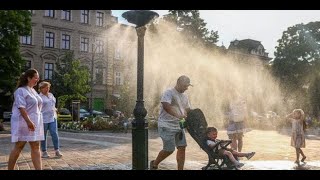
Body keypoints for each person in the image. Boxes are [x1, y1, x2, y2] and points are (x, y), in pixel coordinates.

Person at [150, 75, 192, 170]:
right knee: (169, 149)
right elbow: (166, 106)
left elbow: (187, 109)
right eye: (185, 86)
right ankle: (154, 164)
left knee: (182, 147)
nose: (186, 88)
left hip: (178, 125)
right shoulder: (169, 92)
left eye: (187, 86)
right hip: (166, 125)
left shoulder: (185, 96)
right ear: (178, 83)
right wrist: (178, 115)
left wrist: (191, 116)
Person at [8, 69, 44, 170]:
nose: (37, 80)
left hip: (35, 123)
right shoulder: (21, 91)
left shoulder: (33, 91)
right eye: (35, 78)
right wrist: (28, 121)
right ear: (29, 78)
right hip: (24, 123)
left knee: (36, 146)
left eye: (38, 78)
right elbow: (21, 107)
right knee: (19, 146)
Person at [38, 81, 63, 158]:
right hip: (43, 119)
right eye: (46, 87)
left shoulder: (51, 95)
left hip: (52, 117)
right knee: (43, 136)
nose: (47, 89)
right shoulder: (39, 97)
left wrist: (55, 110)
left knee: (54, 133)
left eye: (48, 87)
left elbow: (53, 104)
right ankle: (44, 151)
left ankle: (57, 150)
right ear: (41, 88)